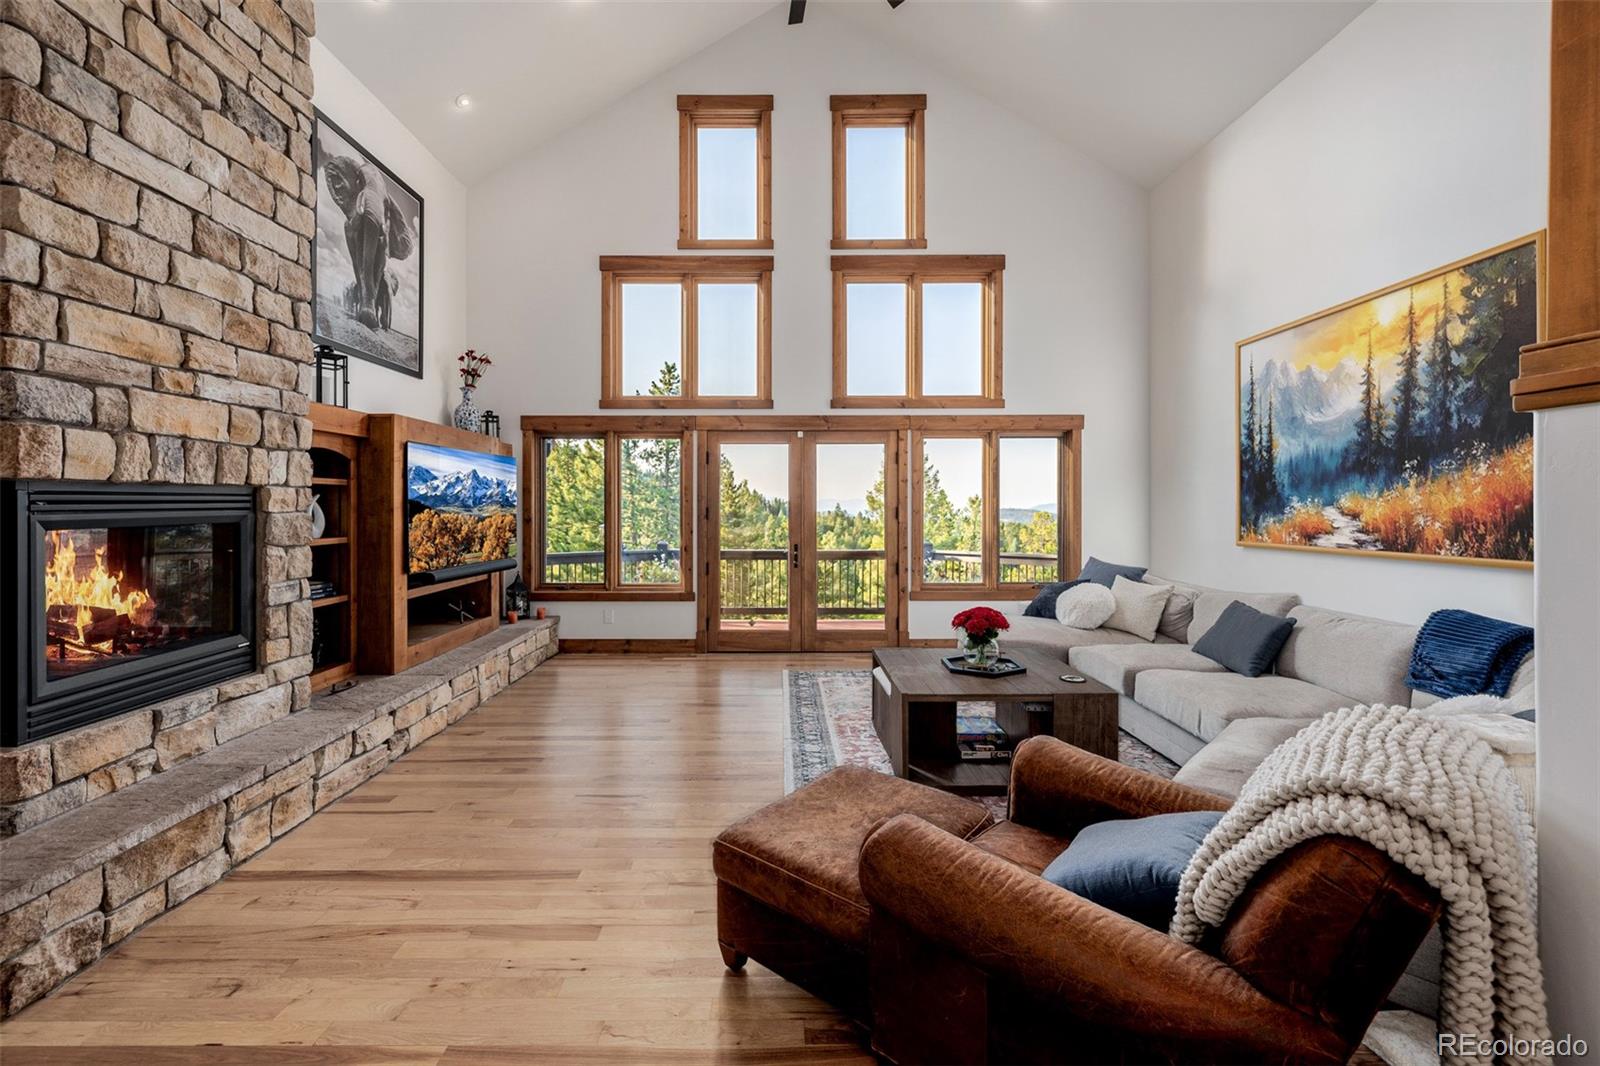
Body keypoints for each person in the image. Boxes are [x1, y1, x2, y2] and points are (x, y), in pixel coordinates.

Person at [322, 154, 416, 331]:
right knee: (352, 239)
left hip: (379, 232)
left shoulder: (384, 224)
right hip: (359, 221)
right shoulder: (350, 227)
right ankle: (366, 303)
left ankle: (369, 305)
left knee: (378, 257)